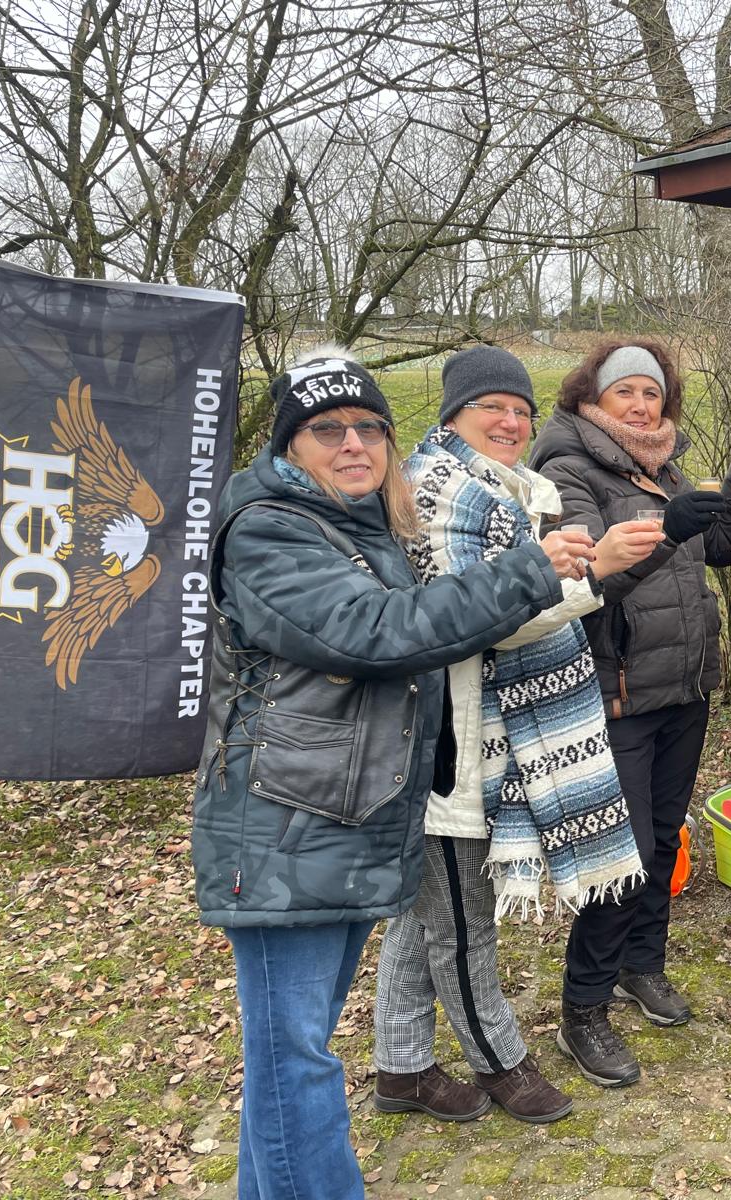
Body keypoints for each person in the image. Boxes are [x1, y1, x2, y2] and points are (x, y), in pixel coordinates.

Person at [192, 349, 592, 1198]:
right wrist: (530, 569)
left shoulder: (358, 523)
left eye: (370, 428)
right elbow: (376, 633)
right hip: (282, 828)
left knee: (289, 1056)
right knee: (295, 1060)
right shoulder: (269, 528)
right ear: (289, 444)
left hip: (338, 820)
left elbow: (421, 635)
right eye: (327, 429)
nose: (354, 443)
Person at [371, 345, 663, 1125]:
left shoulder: (500, 492)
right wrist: (590, 573)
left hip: (465, 728)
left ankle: (400, 1065)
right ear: (453, 415)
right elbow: (479, 622)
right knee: (463, 924)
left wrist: (578, 571)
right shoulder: (441, 496)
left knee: (423, 918)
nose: (511, 422)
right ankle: (502, 1063)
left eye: (522, 411)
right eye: (492, 407)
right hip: (451, 742)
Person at [528, 338, 731, 1087]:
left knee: (665, 839)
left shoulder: (661, 468)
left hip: (682, 687)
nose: (642, 406)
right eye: (626, 393)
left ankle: (640, 965)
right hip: (617, 691)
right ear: (593, 399)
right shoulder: (568, 470)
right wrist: (668, 528)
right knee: (624, 854)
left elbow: (719, 546)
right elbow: (582, 580)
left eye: (652, 393)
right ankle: (583, 1009)